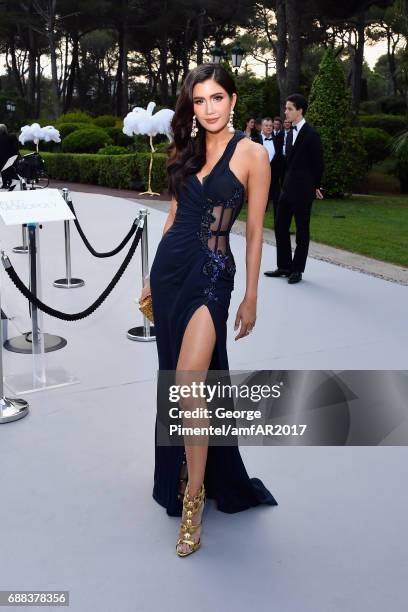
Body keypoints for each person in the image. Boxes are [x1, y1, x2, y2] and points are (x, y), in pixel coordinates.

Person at [139, 64, 278, 557]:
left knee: (189, 383)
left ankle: (194, 498)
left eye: (217, 98)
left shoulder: (253, 154)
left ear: (234, 100)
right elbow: (175, 215)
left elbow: (258, 231)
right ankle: (185, 474)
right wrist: (151, 278)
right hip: (172, 267)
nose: (209, 108)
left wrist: (252, 296)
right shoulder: (186, 149)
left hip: (214, 275)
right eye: (200, 101)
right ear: (192, 107)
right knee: (177, 380)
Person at [264, 94, 324, 284]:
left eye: (289, 108)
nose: (285, 112)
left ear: (300, 110)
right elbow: (284, 163)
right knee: (280, 227)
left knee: (302, 231)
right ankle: (284, 266)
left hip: (304, 191)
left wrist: (317, 186)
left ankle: (297, 269)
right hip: (286, 190)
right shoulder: (287, 134)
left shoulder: (312, 135)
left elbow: (318, 164)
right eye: (286, 108)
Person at [260, 117, 283, 218]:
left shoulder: (277, 141)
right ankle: (255, 228)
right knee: (260, 204)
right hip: (259, 178)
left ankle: (278, 228)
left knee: (278, 203)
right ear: (262, 126)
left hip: (274, 178)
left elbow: (279, 159)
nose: (269, 127)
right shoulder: (255, 140)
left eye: (270, 126)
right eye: (266, 125)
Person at [0, 124, 19, 188]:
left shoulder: (7, 137)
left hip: (3, 157)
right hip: (9, 157)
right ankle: (8, 182)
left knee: (4, 170)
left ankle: (6, 183)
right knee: (7, 170)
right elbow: (15, 147)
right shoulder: (11, 136)